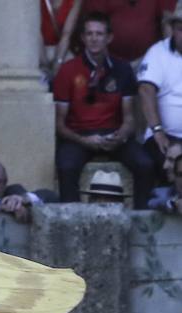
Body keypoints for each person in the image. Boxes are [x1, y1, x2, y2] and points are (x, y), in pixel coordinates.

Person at [53, 11, 154, 208]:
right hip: (78, 135)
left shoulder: (122, 69)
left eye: (99, 34)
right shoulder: (68, 70)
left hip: (113, 135)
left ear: (109, 37)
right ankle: (73, 223)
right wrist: (84, 140)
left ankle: (141, 222)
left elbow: (130, 119)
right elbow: (59, 123)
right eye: (89, 34)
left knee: (145, 164)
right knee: (66, 166)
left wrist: (119, 135)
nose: (94, 39)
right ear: (82, 38)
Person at [138, 7, 182, 181]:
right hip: (163, 136)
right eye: (180, 29)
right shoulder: (157, 52)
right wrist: (157, 130)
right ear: (172, 29)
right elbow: (145, 90)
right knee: (165, 161)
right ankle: (162, 205)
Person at [82, 0, 174, 64]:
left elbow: (168, 22)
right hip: (108, 59)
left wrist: (171, 59)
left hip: (148, 60)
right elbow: (94, 25)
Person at [40, 0, 82, 79]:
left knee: (71, 67)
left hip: (60, 48)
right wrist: (44, 65)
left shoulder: (75, 1)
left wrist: (57, 65)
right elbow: (36, 33)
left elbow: (66, 34)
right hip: (40, 49)